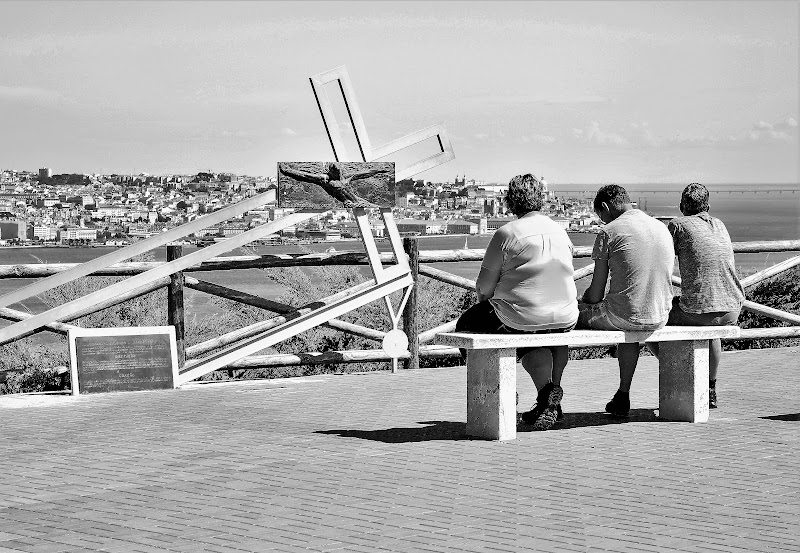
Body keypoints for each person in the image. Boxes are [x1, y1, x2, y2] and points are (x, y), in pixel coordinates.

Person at [455, 173, 578, 431]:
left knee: (467, 325)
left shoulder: (507, 233)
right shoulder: (561, 232)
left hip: (520, 317)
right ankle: (547, 396)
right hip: (566, 318)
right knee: (532, 339)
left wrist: (490, 301)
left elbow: (483, 288)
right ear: (541, 200)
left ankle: (502, 393)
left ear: (510, 202)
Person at [577, 184, 674, 417]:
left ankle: (552, 396)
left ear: (605, 207)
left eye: (600, 216)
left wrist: (581, 302)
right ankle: (623, 394)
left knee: (568, 315)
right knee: (633, 319)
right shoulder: (661, 228)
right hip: (660, 315)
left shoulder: (609, 232)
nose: (601, 221)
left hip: (623, 316)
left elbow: (596, 293)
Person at [647, 183, 744, 408]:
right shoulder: (719, 224)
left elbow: (660, 261)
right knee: (712, 330)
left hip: (698, 311)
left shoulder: (677, 225)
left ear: (682, 206)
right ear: (707, 206)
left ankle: (684, 373)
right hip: (732, 308)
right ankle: (710, 386)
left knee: (648, 320)